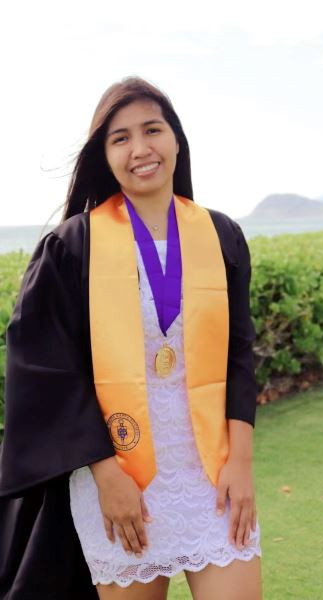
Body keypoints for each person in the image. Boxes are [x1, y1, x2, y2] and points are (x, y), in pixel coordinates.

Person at [0, 76, 263, 600]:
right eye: (120, 137)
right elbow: (48, 370)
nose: (140, 149)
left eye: (152, 129)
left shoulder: (220, 234)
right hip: (123, 479)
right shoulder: (74, 245)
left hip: (211, 475)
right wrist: (105, 476)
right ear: (105, 153)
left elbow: (239, 352)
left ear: (175, 140)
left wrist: (241, 460)